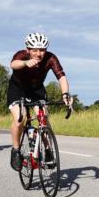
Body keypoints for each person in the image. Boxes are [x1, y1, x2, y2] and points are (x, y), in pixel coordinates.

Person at [7, 32, 72, 168]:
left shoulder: (51, 58)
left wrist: (65, 94)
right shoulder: (22, 55)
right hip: (17, 89)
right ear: (28, 50)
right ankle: (16, 150)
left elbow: (61, 76)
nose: (38, 53)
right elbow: (13, 64)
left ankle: (48, 149)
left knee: (44, 117)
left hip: (36, 89)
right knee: (20, 118)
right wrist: (25, 63)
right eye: (34, 50)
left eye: (42, 50)